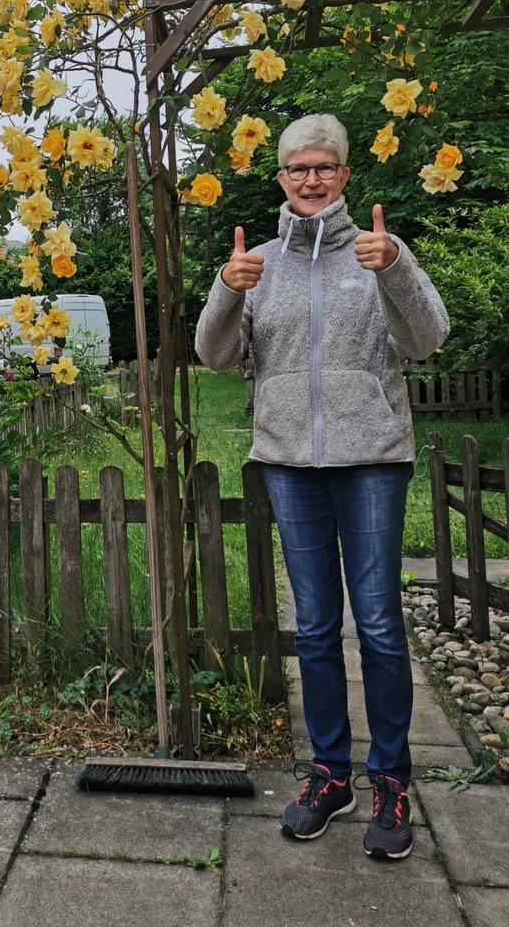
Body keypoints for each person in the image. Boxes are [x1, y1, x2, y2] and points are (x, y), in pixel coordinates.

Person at [194, 113, 449, 861]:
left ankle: (391, 780)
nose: (311, 179)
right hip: (289, 463)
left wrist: (395, 264)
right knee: (312, 628)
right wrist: (225, 287)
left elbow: (428, 339)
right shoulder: (259, 262)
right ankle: (331, 775)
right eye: (297, 169)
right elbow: (212, 355)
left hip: (373, 458)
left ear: (343, 176)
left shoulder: (376, 252)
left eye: (324, 168)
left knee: (376, 623)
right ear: (280, 178)